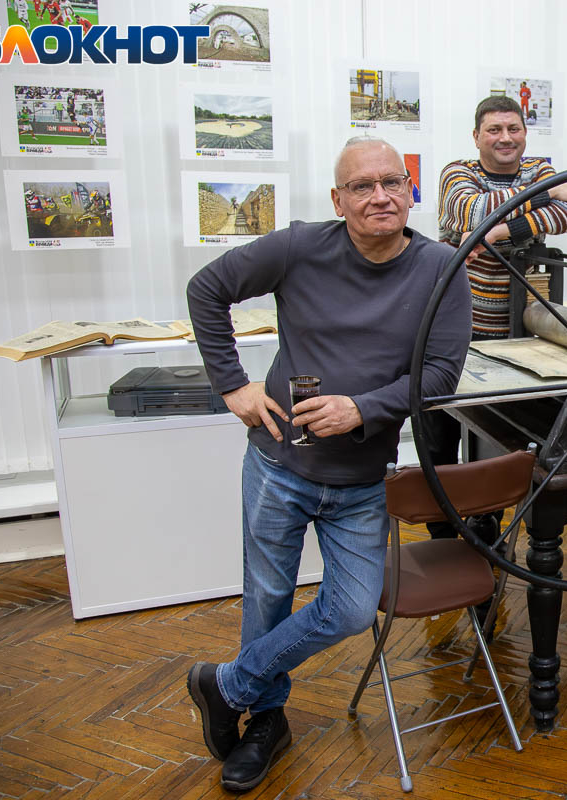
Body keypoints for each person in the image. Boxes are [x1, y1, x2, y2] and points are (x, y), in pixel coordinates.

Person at [183, 137, 471, 792]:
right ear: (338, 200)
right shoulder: (298, 247)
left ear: (411, 191)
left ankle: (226, 685)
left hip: (361, 480)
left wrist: (362, 408)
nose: (380, 196)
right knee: (267, 600)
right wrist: (232, 386)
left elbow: (440, 376)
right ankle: (265, 723)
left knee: (349, 610)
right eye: (362, 186)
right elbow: (207, 289)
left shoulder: (440, 268)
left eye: (393, 182)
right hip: (277, 467)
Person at [431, 95, 567, 574]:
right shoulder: (457, 173)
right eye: (494, 130)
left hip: (519, 332)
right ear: (477, 136)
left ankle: (488, 535)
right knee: (441, 439)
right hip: (457, 331)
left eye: (513, 129)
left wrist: (497, 233)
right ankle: (442, 542)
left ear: (525, 133)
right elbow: (473, 210)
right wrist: (545, 196)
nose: (505, 138)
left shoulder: (539, 167)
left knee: (497, 440)